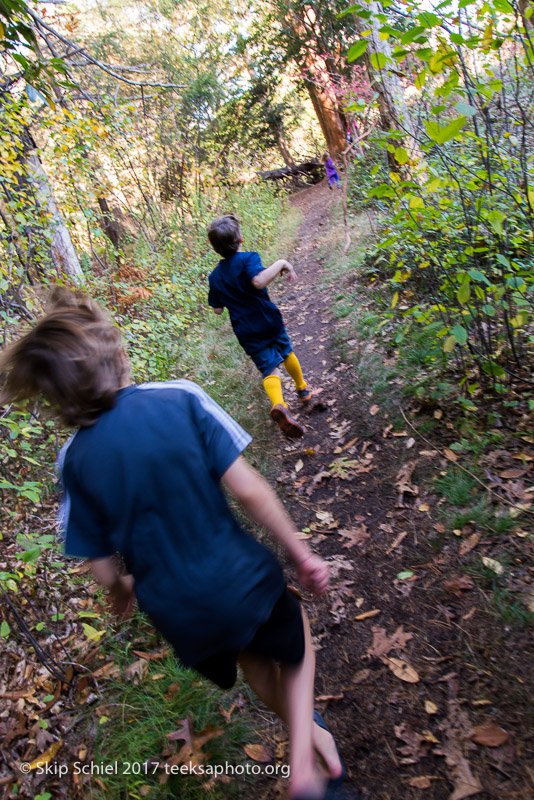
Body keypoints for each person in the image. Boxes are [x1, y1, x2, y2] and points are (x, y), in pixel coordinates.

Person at [0, 289, 347, 800]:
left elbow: (99, 565)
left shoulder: (72, 461)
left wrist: (120, 588)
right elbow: (248, 488)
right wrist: (300, 552)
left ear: (59, 401)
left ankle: (310, 733)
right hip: (237, 575)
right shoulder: (179, 398)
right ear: (119, 356)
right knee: (294, 635)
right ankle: (303, 766)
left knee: (253, 661)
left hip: (179, 615)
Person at [207, 213, 311, 439]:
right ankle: (302, 389)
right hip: (267, 320)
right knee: (285, 352)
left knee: (269, 368)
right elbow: (258, 281)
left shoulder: (214, 277)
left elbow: (216, 309)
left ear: (215, 248)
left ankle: (280, 405)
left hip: (245, 330)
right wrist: (282, 263)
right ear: (240, 239)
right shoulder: (248, 258)